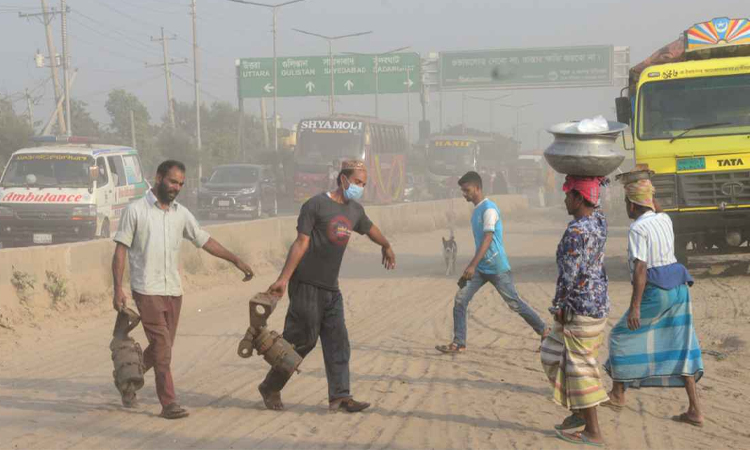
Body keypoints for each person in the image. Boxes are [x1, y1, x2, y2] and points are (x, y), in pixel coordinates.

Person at [112, 160, 254, 419]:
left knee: (160, 349)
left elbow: (204, 239)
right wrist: (117, 289)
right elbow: (120, 250)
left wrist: (236, 260)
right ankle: (168, 403)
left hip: (173, 292)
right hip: (147, 289)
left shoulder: (181, 213)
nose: (176, 187)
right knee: (163, 346)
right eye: (172, 181)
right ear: (158, 178)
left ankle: (128, 379)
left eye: (180, 184)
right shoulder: (135, 211)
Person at [260, 160, 396, 413]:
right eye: (357, 182)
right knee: (303, 341)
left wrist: (386, 245)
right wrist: (283, 279)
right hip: (306, 284)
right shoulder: (316, 205)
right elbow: (301, 242)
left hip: (330, 288)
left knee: (338, 341)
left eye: (363, 184)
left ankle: (340, 396)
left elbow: (370, 229)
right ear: (343, 179)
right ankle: (270, 386)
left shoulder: (354, 210)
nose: (360, 188)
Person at [603, 177, 704, 427]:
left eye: (627, 202)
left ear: (632, 205)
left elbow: (641, 268)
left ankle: (617, 394)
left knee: (620, 336)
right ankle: (695, 409)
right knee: (683, 344)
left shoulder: (638, 228)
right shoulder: (664, 219)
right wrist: (645, 184)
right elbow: (656, 208)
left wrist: (635, 306)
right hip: (680, 287)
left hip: (657, 289)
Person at [436, 171, 548, 354]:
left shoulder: (488, 209)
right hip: (481, 268)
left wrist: (471, 265)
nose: (464, 194)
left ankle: (544, 330)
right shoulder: (476, 210)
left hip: (497, 268)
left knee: (514, 303)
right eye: (462, 191)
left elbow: (488, 239)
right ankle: (459, 343)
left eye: (467, 190)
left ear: (478, 188)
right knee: (460, 300)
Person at [540, 175, 610, 447]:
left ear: (580, 199)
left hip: (579, 307)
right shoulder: (599, 222)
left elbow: (567, 277)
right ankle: (579, 411)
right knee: (551, 353)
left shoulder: (575, 232)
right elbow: (598, 205)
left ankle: (593, 430)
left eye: (569, 194)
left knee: (581, 368)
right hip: (597, 303)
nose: (565, 199)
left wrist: (558, 307)